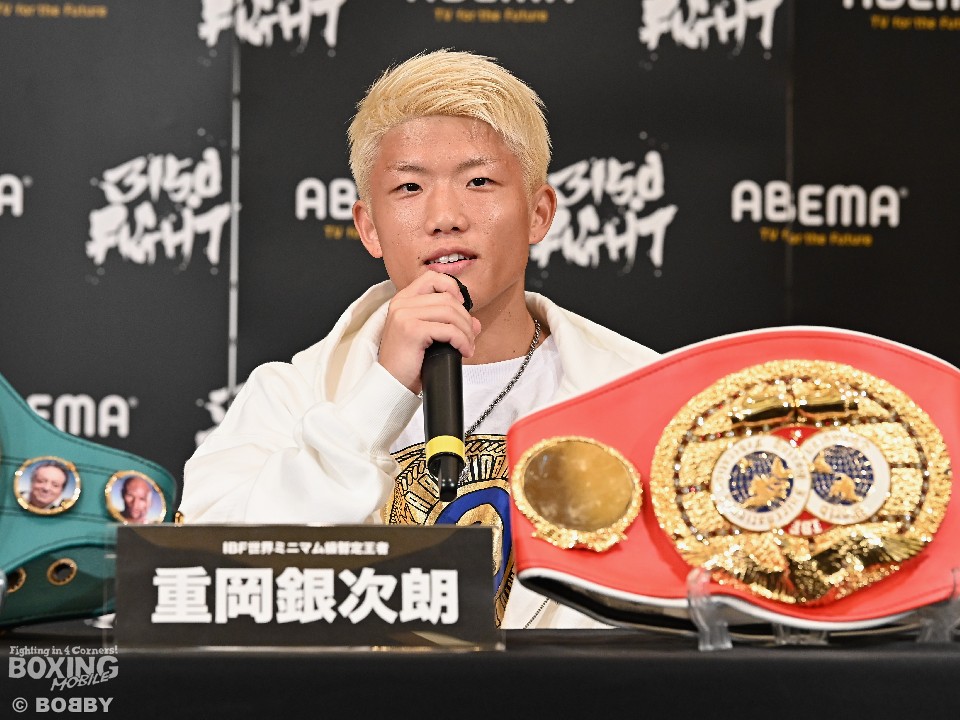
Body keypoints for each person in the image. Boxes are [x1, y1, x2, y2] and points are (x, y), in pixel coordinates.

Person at [179, 49, 660, 628]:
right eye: (409, 187)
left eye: (479, 181)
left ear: (539, 212)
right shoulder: (289, 396)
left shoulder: (642, 391)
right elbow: (205, 584)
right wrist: (379, 396)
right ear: (368, 227)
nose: (444, 216)